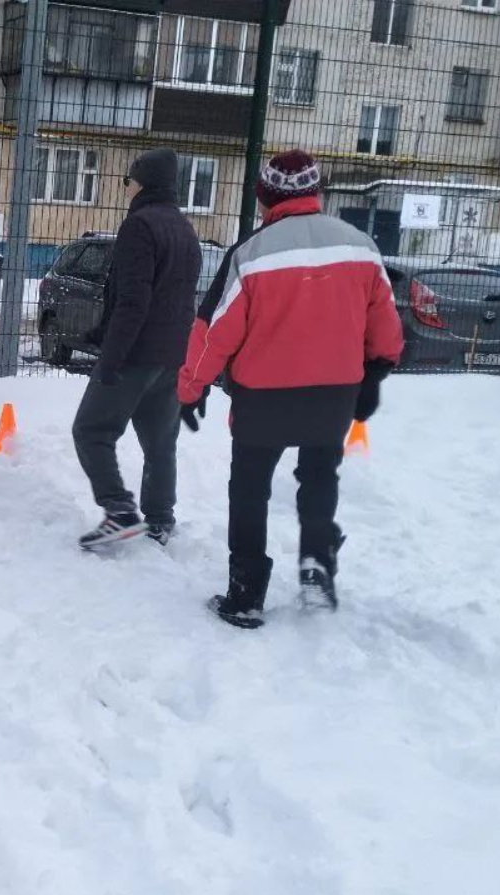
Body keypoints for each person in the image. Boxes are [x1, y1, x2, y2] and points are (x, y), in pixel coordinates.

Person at [176, 149, 403, 629]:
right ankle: (317, 564)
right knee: (320, 476)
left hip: (264, 397)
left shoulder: (253, 254)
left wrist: (190, 390)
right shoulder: (360, 246)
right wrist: (376, 374)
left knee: (250, 488)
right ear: (315, 194)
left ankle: (246, 593)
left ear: (265, 197)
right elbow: (384, 322)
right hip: (335, 392)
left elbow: (214, 331)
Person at [72, 149, 202, 551]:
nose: (126, 187)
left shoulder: (140, 226)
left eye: (128, 180)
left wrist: (111, 358)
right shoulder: (185, 229)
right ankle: (160, 519)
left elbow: (134, 300)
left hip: (136, 355)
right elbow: (175, 298)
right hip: (172, 356)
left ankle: (120, 511)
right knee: (160, 443)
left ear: (141, 182)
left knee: (91, 430)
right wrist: (101, 331)